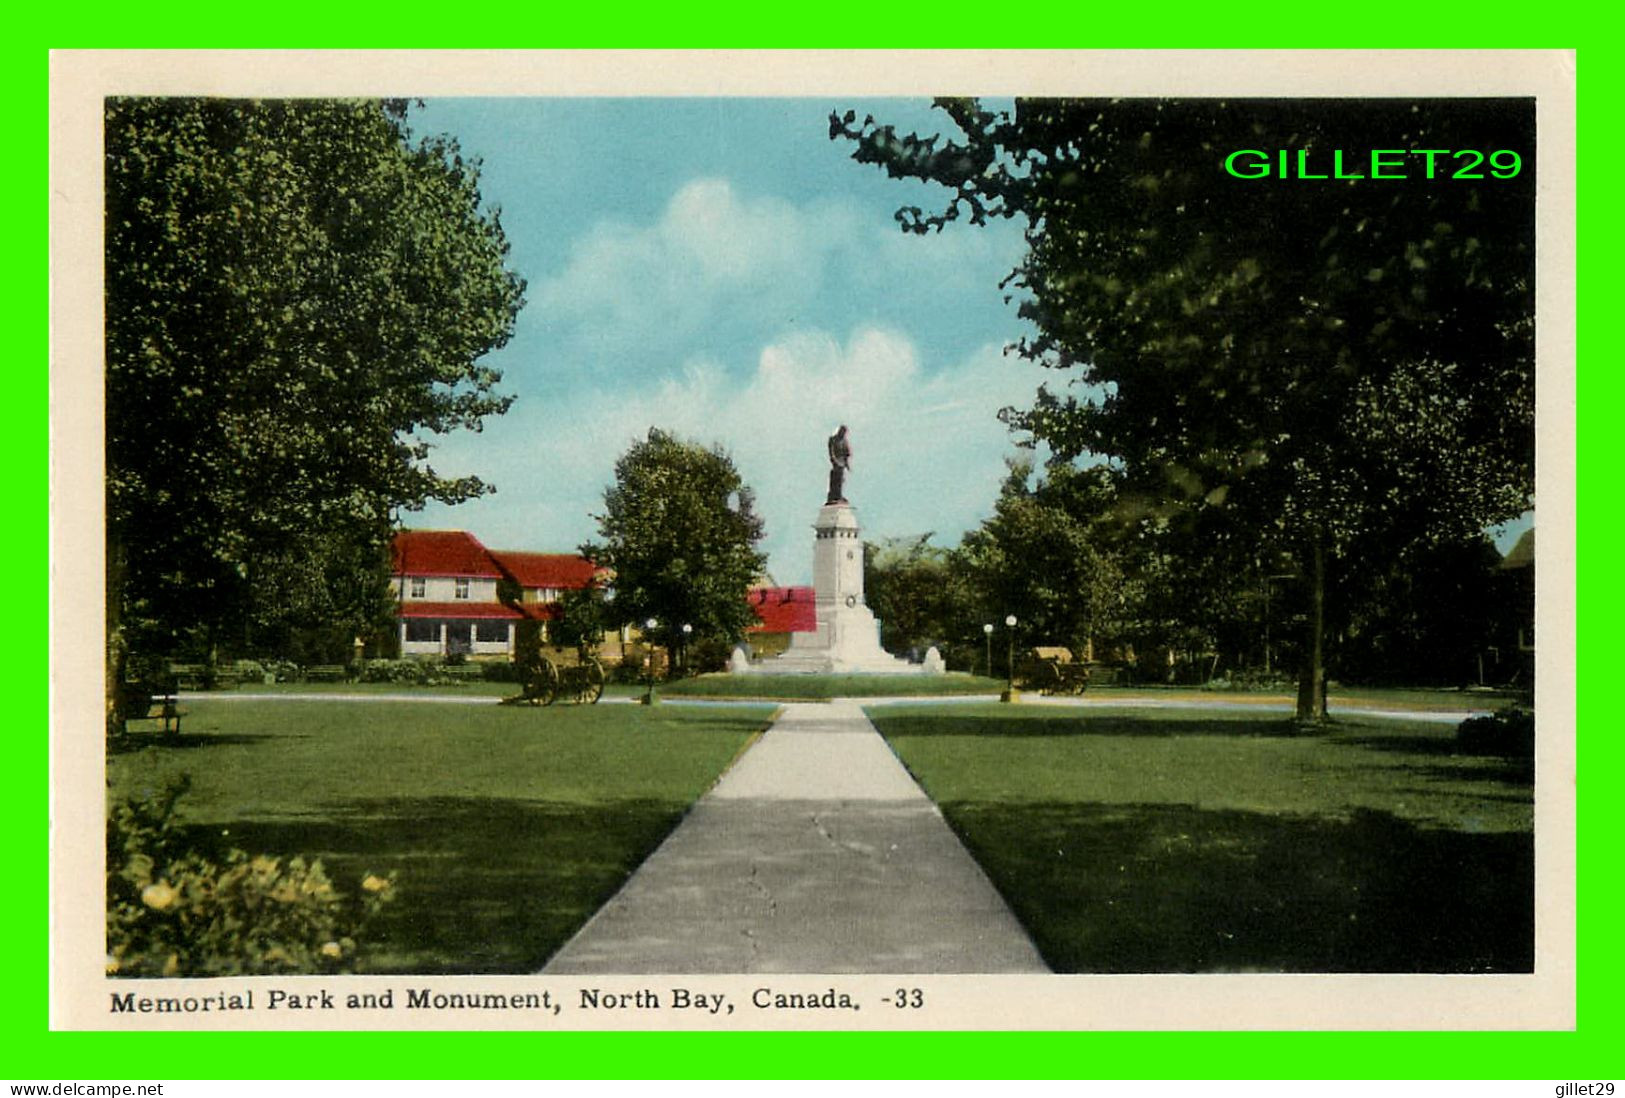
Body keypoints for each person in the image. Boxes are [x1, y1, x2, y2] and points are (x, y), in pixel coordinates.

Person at [826, 425, 851, 504]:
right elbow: (831, 451)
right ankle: (833, 496)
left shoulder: (844, 441)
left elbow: (847, 452)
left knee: (841, 480)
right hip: (836, 462)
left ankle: (839, 495)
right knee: (835, 479)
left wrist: (846, 463)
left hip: (841, 462)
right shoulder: (833, 439)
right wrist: (834, 460)